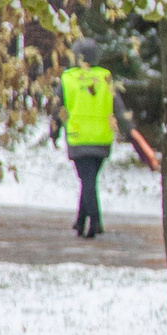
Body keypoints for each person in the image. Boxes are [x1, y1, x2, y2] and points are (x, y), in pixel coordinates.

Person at [57, 38, 131, 239]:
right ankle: (81, 223)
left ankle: (95, 221)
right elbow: (119, 107)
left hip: (78, 138)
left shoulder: (68, 79)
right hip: (101, 138)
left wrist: (54, 130)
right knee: (89, 180)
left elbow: (59, 109)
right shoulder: (105, 78)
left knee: (87, 180)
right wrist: (129, 130)